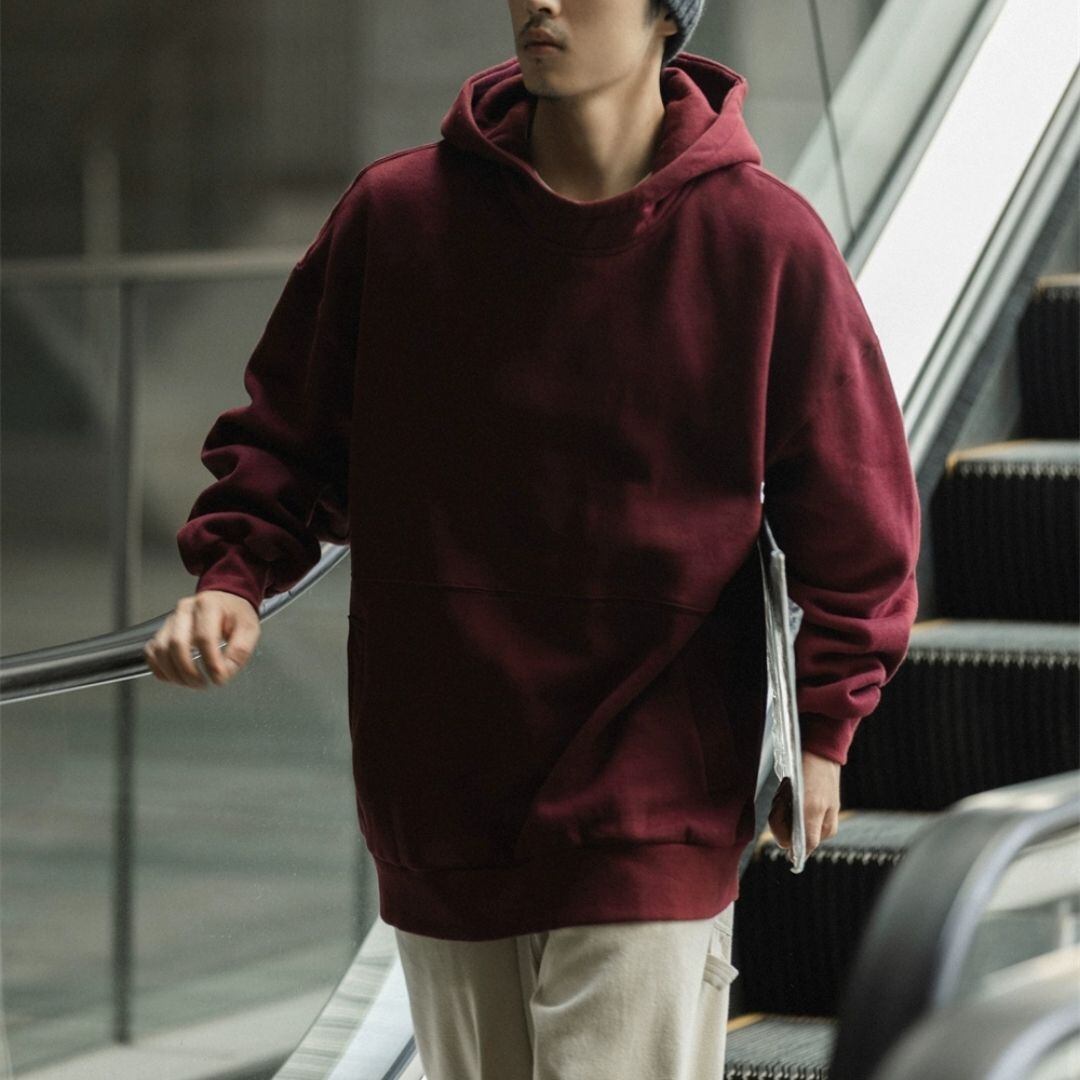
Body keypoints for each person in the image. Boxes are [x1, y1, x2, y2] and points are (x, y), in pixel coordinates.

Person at [145, 0, 921, 1075]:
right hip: (442, 804)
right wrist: (233, 579)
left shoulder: (763, 242)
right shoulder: (398, 217)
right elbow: (285, 439)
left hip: (653, 806)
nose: (539, 1)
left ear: (666, 16)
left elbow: (858, 519)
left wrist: (825, 728)